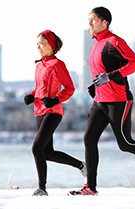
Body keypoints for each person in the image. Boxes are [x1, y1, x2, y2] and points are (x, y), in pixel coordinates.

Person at [69, 7, 135, 195]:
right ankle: (90, 187)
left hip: (119, 100)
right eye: (89, 20)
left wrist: (110, 78)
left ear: (105, 22)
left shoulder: (114, 41)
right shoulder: (96, 45)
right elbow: (102, 70)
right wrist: (96, 86)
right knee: (89, 138)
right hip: (100, 101)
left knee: (125, 143)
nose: (90, 23)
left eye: (93, 19)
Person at [24, 30, 86, 196]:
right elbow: (39, 88)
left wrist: (56, 99)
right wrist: (31, 95)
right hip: (39, 110)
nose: (39, 47)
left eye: (42, 43)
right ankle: (81, 166)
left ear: (52, 45)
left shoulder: (58, 65)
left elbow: (70, 88)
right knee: (47, 152)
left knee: (37, 148)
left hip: (53, 111)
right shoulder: (39, 65)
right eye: (37, 43)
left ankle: (42, 188)